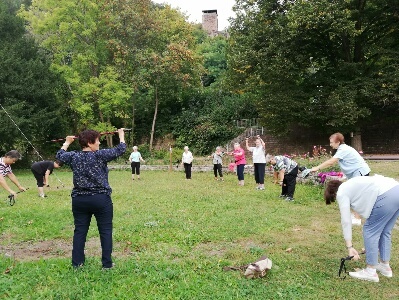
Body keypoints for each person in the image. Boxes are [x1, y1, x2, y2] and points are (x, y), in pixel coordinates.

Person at [56, 128, 126, 269]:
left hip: (79, 200)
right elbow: (121, 149)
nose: (99, 143)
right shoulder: (100, 155)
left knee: (80, 231)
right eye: (97, 140)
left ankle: (78, 264)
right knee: (105, 231)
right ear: (89, 142)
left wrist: (67, 142)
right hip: (100, 199)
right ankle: (107, 264)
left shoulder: (74, 156)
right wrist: (121, 135)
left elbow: (59, 155)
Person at [324, 175, 399, 282]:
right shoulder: (352, 185)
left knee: (370, 230)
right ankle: (385, 266)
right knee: (385, 231)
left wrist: (350, 247)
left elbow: (346, 221)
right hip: (396, 188)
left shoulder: (341, 192)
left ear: (334, 193)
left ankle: (370, 271)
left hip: (387, 194)